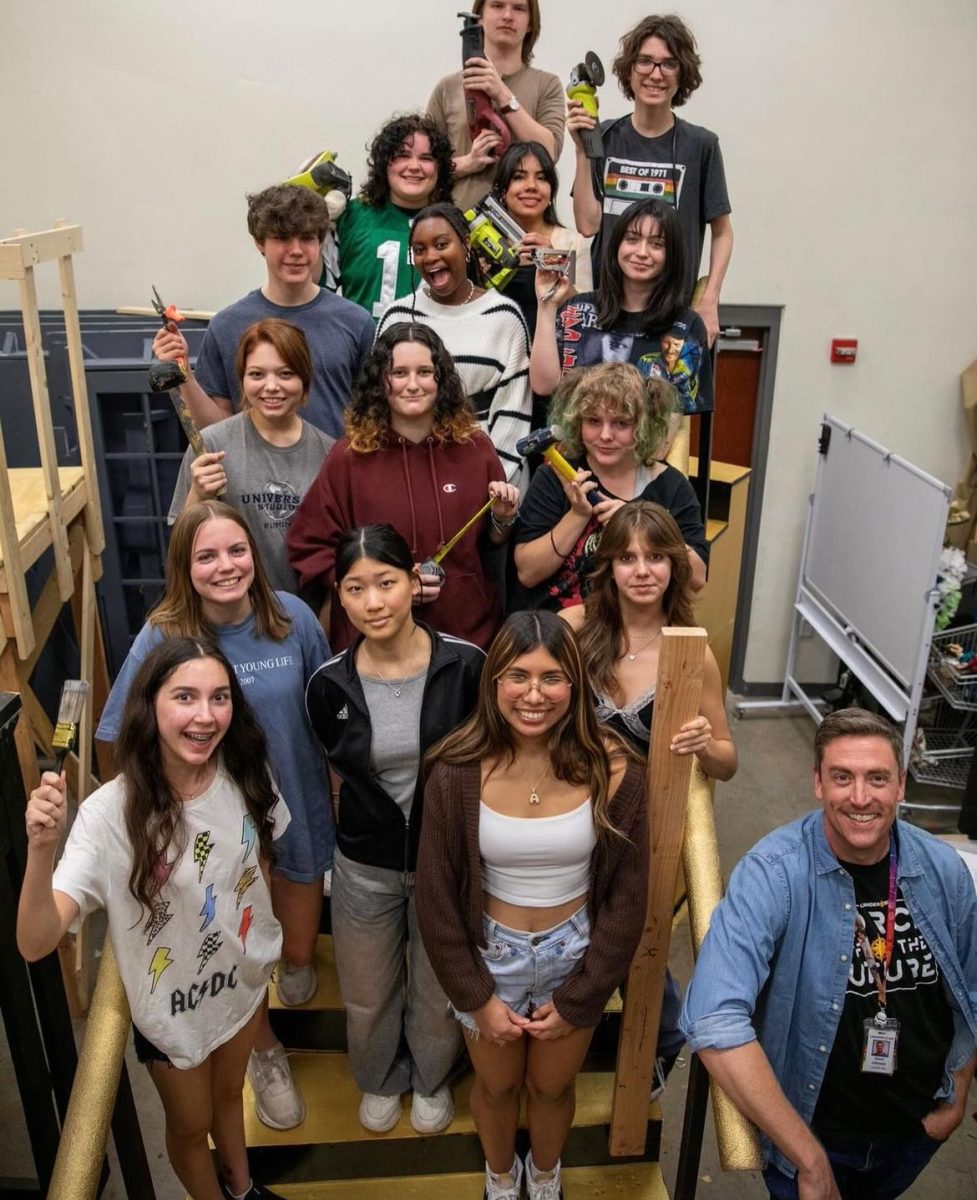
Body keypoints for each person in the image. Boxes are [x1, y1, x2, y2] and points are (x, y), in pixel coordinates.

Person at [18, 638, 289, 1200]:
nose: (205, 715)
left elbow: (260, 860)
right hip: (173, 1012)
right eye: (184, 696)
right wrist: (41, 850)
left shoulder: (244, 769)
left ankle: (242, 1187)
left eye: (219, 697)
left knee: (228, 1097)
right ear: (150, 705)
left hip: (242, 982)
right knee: (191, 1128)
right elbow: (35, 941)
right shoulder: (107, 817)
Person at [97, 501, 334, 1132]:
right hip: (217, 835)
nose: (225, 566)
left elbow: (333, 712)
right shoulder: (163, 634)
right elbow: (118, 731)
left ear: (255, 554)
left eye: (236, 551)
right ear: (185, 566)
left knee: (298, 953)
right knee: (243, 955)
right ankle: (264, 1048)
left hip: (299, 810)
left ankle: (283, 982)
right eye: (206, 555)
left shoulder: (293, 619)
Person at [680, 708, 977, 1200]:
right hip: (813, 1145)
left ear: (901, 785)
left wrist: (958, 1091)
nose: (861, 797)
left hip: (914, 1133)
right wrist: (808, 1156)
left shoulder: (942, 868)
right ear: (818, 782)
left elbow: (969, 987)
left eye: (877, 778)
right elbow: (713, 1018)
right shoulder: (773, 874)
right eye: (843, 777)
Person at [416, 610, 648, 1200]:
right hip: (489, 955)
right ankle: (500, 1178)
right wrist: (474, 994)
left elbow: (626, 899)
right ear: (494, 682)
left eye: (552, 678)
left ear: (575, 685)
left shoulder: (615, 767)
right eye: (518, 676)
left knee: (550, 1089)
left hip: (574, 953)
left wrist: (585, 993)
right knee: (494, 1088)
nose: (534, 694)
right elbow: (437, 897)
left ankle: (543, 1176)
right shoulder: (454, 769)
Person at [305, 524, 485, 1134]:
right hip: (365, 865)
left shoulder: (465, 667)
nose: (373, 602)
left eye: (386, 583)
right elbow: (334, 774)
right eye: (356, 589)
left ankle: (432, 1078)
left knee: (438, 989)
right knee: (366, 991)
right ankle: (380, 1078)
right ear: (341, 595)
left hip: (446, 864)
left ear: (414, 583)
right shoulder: (329, 683)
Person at [287, 322, 519, 651]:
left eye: (425, 372)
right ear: (381, 381)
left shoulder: (475, 448)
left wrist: (503, 518)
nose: (413, 385)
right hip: (376, 645)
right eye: (399, 373)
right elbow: (309, 546)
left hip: (466, 638)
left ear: (441, 379)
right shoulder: (349, 457)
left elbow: (492, 543)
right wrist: (377, 587)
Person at [151, 184, 374, 440]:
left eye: (307, 238)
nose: (297, 251)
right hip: (253, 479)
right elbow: (214, 432)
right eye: (282, 238)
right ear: (259, 243)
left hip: (332, 476)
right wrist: (184, 374)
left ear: (321, 241)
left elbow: (369, 420)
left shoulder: (355, 322)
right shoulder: (227, 326)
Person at [569, 13, 732, 343]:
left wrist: (710, 298)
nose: (655, 74)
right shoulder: (604, 137)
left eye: (668, 64)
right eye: (645, 62)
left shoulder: (701, 146)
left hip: (672, 322)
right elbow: (587, 225)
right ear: (629, 71)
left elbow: (723, 233)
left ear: (681, 74)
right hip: (609, 317)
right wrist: (581, 151)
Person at [512, 364, 708, 613]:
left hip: (633, 637)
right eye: (593, 421)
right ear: (577, 421)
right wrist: (578, 515)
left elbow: (697, 579)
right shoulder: (554, 477)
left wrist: (635, 525)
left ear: (643, 425)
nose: (605, 435)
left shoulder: (672, 487)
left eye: (621, 423)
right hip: (553, 636)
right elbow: (528, 573)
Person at [562, 501, 735, 778]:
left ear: (674, 565)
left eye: (655, 557)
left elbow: (727, 766)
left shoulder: (693, 652)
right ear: (610, 567)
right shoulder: (574, 625)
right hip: (570, 793)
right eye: (627, 558)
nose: (642, 571)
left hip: (646, 807)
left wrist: (705, 746)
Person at [168, 319, 334, 593]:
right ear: (242, 380)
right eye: (257, 375)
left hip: (306, 618)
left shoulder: (329, 454)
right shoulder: (209, 445)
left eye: (286, 374)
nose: (271, 386)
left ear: (304, 380)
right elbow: (180, 547)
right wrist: (198, 494)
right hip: (232, 613)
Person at [375, 205, 532, 482]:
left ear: (466, 244)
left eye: (441, 244)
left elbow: (514, 414)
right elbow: (377, 405)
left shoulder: (504, 315)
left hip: (488, 483)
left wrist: (488, 485)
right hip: (408, 477)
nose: (431, 256)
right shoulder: (397, 316)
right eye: (420, 250)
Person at [530, 197, 714, 418]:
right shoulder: (577, 309)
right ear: (616, 245)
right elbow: (543, 386)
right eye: (632, 239)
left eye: (657, 244)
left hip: (644, 451)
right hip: (569, 449)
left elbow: (675, 422)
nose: (642, 252)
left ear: (671, 255)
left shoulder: (687, 326)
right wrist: (547, 306)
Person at [427, 0, 565, 213]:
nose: (508, 16)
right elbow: (426, 169)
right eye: (498, 5)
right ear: (479, 17)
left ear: (530, 24)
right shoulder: (448, 88)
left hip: (524, 230)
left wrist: (501, 92)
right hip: (457, 224)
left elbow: (549, 152)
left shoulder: (547, 85)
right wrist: (468, 162)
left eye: (519, 8)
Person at [325, 113, 454, 319]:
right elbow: (315, 288)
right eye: (402, 156)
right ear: (384, 163)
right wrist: (311, 223)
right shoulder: (350, 216)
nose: (414, 166)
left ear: (440, 168)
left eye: (426, 158)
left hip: (434, 349)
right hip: (364, 349)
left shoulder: (455, 225)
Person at [489, 140, 593, 340]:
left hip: (552, 354)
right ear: (502, 190)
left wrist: (554, 261)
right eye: (519, 177)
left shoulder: (571, 242)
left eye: (542, 178)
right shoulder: (481, 240)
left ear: (551, 190)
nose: (531, 186)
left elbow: (583, 315)